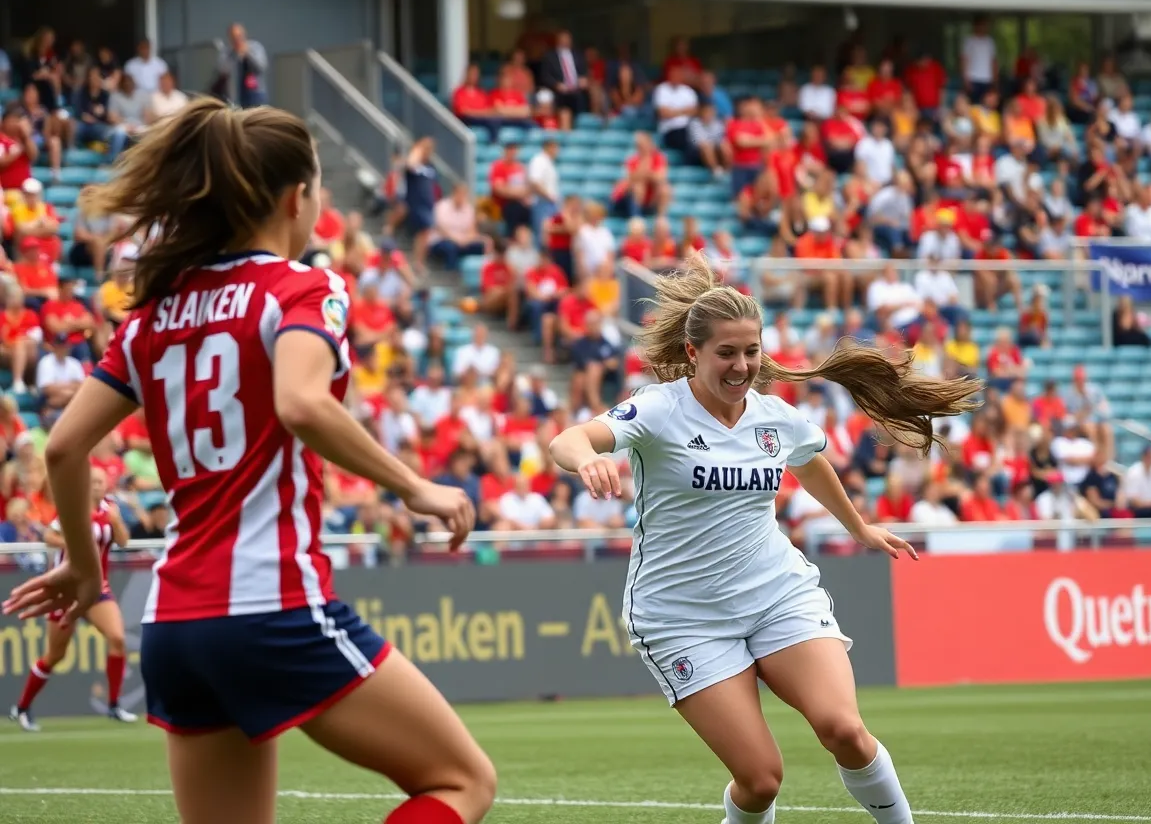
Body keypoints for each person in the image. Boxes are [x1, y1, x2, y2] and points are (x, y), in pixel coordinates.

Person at [2, 99, 495, 824]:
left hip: (173, 626)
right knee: (462, 783)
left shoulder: (151, 315)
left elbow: (66, 448)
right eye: (319, 189)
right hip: (272, 606)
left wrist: (82, 564)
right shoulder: (302, 287)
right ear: (298, 197)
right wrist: (414, 485)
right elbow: (300, 402)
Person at [549, 257, 981, 824]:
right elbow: (569, 438)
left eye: (750, 351)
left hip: (777, 594)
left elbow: (810, 459)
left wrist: (858, 526)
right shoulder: (659, 409)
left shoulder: (775, 416)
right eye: (726, 353)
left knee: (846, 730)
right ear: (691, 353)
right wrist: (586, 461)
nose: (741, 365)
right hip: (683, 616)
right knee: (760, 780)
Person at [9, 467, 137, 731]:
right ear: (85, 484)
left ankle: (114, 705)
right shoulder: (73, 506)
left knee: (117, 638)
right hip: (66, 589)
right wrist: (75, 545)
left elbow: (123, 542)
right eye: (95, 482)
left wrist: (116, 521)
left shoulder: (110, 509)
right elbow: (48, 535)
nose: (100, 486)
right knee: (55, 655)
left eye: (102, 482)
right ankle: (21, 707)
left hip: (98, 588)